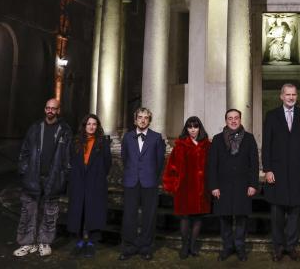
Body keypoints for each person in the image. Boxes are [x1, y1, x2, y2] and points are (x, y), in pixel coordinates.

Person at [13, 98, 72, 257]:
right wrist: (24, 170)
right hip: (33, 176)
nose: (50, 111)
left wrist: (64, 175)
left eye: (54, 108)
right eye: (48, 108)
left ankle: (44, 242)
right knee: (28, 211)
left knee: (50, 212)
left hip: (53, 178)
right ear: (44, 109)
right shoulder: (35, 128)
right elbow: (24, 151)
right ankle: (27, 243)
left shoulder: (65, 130)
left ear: (58, 110)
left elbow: (68, 156)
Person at [262, 83, 300, 261]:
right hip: (276, 171)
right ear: (281, 96)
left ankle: (291, 246)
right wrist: (267, 169)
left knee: (295, 212)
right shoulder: (271, 116)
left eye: (294, 94)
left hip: (298, 171)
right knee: (276, 212)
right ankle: (278, 247)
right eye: (288, 94)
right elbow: (266, 145)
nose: (291, 97)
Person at [207, 109, 259, 262]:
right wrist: (214, 186)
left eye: (236, 118)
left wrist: (253, 184)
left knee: (242, 218)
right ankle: (228, 247)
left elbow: (254, 163)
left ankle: (240, 247)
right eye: (230, 118)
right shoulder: (217, 139)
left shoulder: (249, 138)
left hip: (243, 185)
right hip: (223, 185)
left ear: (241, 119)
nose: (233, 120)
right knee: (225, 218)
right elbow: (212, 165)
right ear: (226, 120)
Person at [119, 107, 166, 261]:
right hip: (131, 181)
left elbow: (160, 162)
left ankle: (146, 247)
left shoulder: (157, 137)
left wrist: (152, 176)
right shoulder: (127, 137)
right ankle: (130, 247)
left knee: (149, 216)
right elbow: (125, 159)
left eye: (146, 117)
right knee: (129, 216)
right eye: (140, 117)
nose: (143, 120)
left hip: (150, 181)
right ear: (135, 120)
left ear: (149, 120)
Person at [162, 116, 212, 259]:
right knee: (185, 218)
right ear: (186, 129)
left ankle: (192, 246)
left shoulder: (207, 145)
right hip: (184, 188)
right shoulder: (180, 145)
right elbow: (171, 166)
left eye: (195, 127)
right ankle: (184, 246)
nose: (192, 130)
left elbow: (212, 166)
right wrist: (172, 185)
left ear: (199, 128)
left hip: (202, 188)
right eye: (190, 127)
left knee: (198, 218)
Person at [67, 114, 112, 258]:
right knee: (78, 209)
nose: (91, 126)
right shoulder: (76, 141)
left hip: (96, 181)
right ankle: (79, 241)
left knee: (95, 210)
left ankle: (92, 242)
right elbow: (72, 160)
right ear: (84, 126)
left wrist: (97, 175)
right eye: (89, 124)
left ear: (97, 126)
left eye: (94, 124)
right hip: (79, 180)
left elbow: (107, 163)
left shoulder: (103, 142)